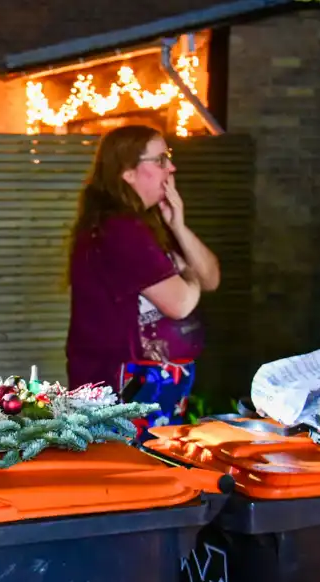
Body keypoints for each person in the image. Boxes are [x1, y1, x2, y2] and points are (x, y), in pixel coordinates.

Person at [65, 124, 220, 436]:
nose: (171, 168)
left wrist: (179, 227)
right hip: (126, 385)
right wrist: (186, 274)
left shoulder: (145, 224)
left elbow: (211, 278)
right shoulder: (120, 229)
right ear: (128, 172)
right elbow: (180, 303)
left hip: (152, 381)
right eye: (160, 160)